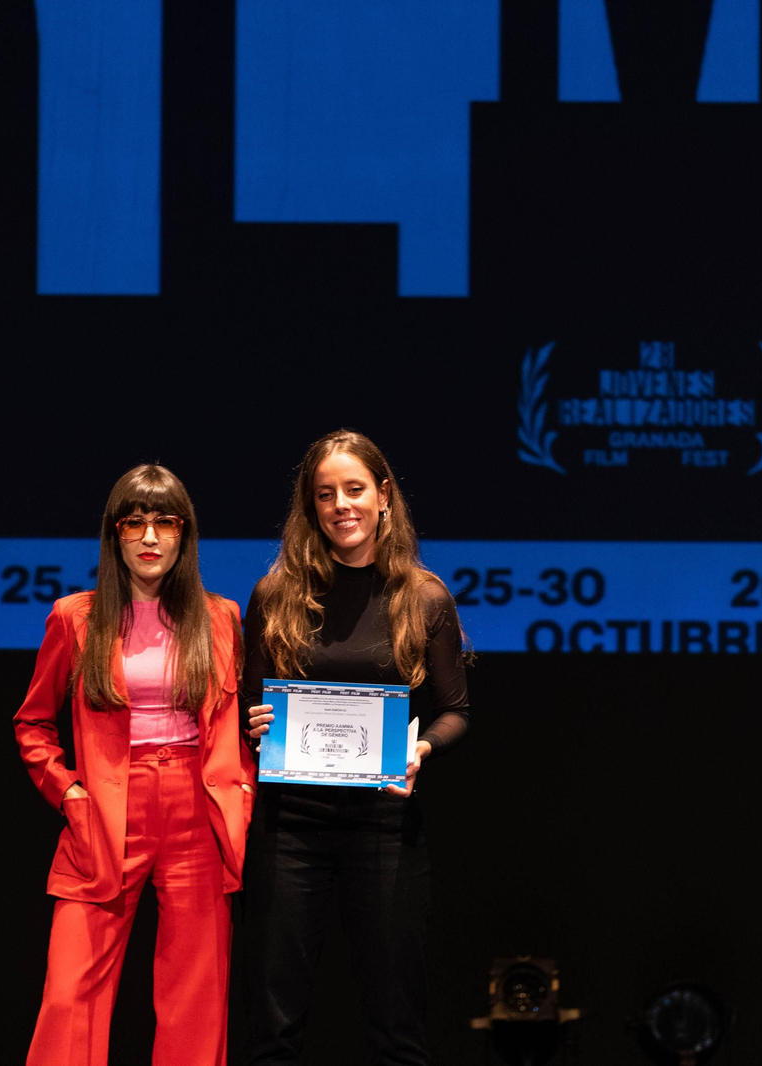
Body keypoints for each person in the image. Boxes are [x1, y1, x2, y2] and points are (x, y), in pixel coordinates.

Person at [241, 429, 471, 1066]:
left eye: (354, 489)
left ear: (383, 495)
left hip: (384, 827)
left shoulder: (424, 598)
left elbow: (455, 712)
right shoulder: (275, 595)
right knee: (272, 1026)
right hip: (290, 829)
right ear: (310, 506)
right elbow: (248, 706)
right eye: (325, 494)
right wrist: (255, 724)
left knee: (398, 1027)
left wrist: (422, 750)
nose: (341, 505)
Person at [14, 464, 255, 1066]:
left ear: (184, 534)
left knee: (196, 996)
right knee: (70, 992)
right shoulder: (74, 617)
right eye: (135, 523)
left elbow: (234, 726)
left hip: (197, 809)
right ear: (115, 533)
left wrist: (245, 787)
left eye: (165, 522)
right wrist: (68, 792)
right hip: (106, 809)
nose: (150, 537)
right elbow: (33, 724)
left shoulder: (221, 617)